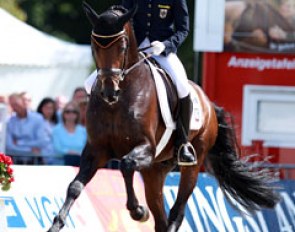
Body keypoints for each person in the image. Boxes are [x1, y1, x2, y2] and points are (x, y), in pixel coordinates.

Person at [84, 0, 197, 166]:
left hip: (161, 51)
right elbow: (121, 13)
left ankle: (183, 143)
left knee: (182, 86)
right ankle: (101, 131)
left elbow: (183, 30)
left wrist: (166, 45)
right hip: (132, 50)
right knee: (89, 83)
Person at [5, 93, 47, 164]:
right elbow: (9, 146)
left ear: (23, 102)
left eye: (16, 104)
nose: (14, 107)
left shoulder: (38, 118)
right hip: (16, 161)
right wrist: (30, 150)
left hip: (35, 162)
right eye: (12, 105)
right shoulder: (10, 121)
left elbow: (41, 142)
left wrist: (19, 142)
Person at [52, 101, 87, 166]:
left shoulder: (83, 131)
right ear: (63, 114)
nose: (71, 114)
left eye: (74, 112)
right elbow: (57, 148)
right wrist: (69, 152)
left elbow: (85, 149)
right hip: (61, 162)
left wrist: (77, 153)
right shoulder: (56, 130)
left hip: (80, 162)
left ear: (77, 114)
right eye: (68, 111)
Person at [36, 97, 60, 164]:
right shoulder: (36, 123)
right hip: (39, 156)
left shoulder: (57, 124)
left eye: (51, 108)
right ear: (41, 108)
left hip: (55, 157)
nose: (49, 111)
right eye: (46, 108)